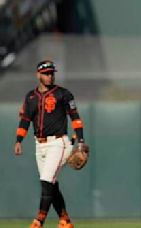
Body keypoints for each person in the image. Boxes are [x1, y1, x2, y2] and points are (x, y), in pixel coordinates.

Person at [14, 60, 85, 228]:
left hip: (59, 143)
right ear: (38, 75)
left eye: (52, 73)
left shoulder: (63, 94)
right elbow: (25, 120)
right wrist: (18, 140)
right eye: (46, 73)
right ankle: (65, 220)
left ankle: (39, 221)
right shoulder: (30, 97)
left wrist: (80, 142)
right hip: (40, 145)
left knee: (46, 181)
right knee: (50, 185)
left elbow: (75, 118)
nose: (50, 75)